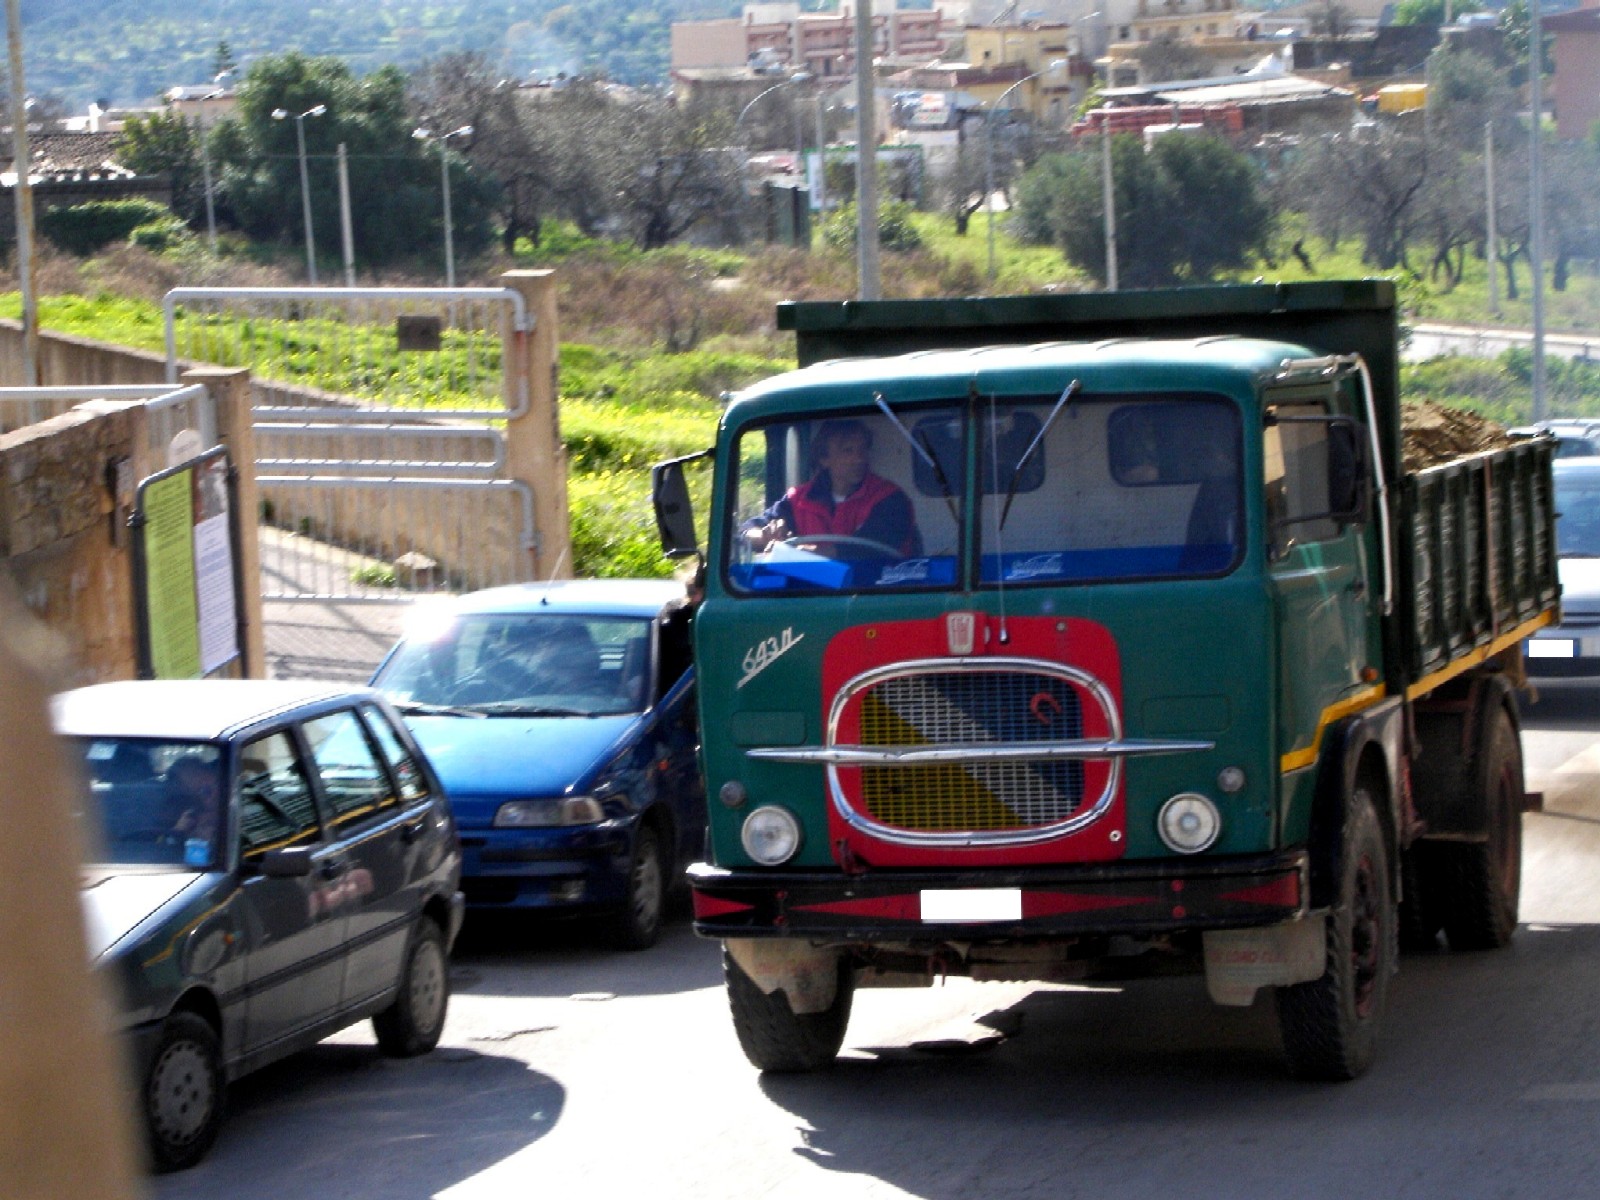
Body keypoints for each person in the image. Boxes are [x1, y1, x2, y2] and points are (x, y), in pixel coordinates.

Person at [742, 419, 920, 558]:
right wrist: (765, 536)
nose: (859, 459)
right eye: (847, 451)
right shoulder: (798, 500)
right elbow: (744, 532)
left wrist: (799, 552)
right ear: (824, 459)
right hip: (811, 597)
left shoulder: (890, 498)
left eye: (863, 450)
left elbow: (870, 549)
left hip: (877, 595)